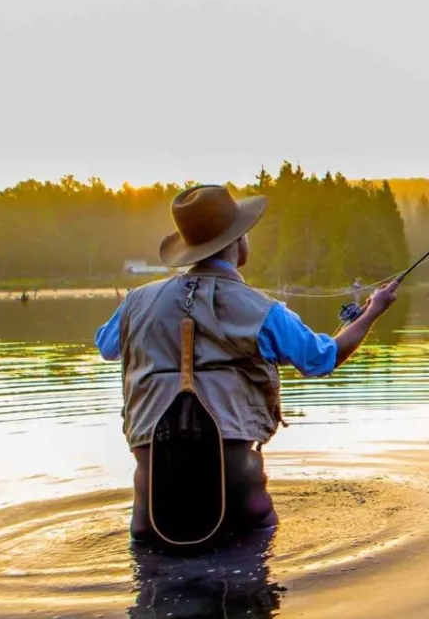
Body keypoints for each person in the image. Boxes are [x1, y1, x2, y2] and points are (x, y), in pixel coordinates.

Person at [94, 184, 399, 547]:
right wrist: (373, 312)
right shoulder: (262, 310)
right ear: (238, 241)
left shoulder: (136, 304)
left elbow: (107, 346)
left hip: (149, 521)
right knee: (252, 591)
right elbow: (322, 359)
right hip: (242, 514)